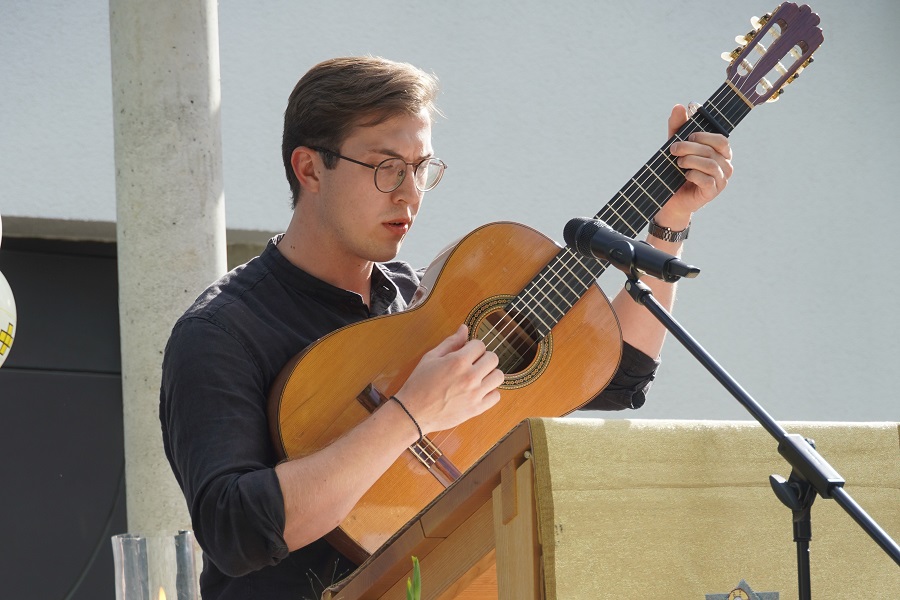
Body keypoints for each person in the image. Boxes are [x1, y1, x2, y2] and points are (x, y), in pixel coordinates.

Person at [159, 56, 733, 600]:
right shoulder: (222, 331)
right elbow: (236, 528)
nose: (409, 193)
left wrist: (669, 224)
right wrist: (410, 414)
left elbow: (617, 376)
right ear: (310, 167)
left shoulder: (420, 295)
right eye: (385, 167)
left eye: (421, 168)